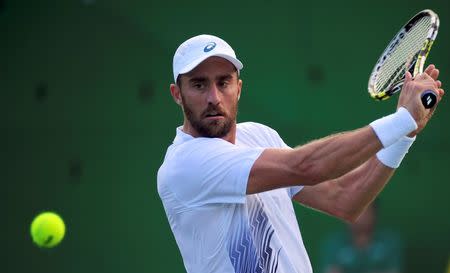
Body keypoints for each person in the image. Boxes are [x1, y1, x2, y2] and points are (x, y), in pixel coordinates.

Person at [157, 34, 444, 273]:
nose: (213, 97)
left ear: (239, 88)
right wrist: (402, 119)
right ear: (177, 94)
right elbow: (306, 166)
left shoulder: (258, 136)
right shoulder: (185, 165)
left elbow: (346, 198)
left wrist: (406, 133)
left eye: (223, 82)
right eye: (198, 84)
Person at [319, 200, 403, 273]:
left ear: (374, 213)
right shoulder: (334, 243)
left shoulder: (389, 241)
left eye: (363, 211)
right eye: (351, 211)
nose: (358, 216)